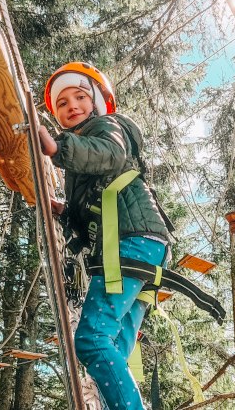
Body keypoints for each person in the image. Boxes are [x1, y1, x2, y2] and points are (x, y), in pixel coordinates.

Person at [38, 61, 171, 409]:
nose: (72, 106)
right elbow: (92, 209)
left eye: (80, 97)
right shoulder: (84, 156)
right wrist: (64, 211)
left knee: (92, 340)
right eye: (62, 103)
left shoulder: (106, 128)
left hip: (129, 241)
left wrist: (58, 149)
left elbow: (110, 155)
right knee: (112, 349)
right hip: (141, 244)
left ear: (97, 101)